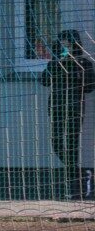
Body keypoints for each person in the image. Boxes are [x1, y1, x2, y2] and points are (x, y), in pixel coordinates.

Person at [41, 29, 95, 200]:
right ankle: (80, 174)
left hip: (74, 109)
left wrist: (75, 68)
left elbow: (89, 87)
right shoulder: (55, 62)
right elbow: (44, 81)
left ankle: (74, 186)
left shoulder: (84, 63)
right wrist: (56, 64)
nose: (65, 48)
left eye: (68, 45)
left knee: (72, 145)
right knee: (56, 142)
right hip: (56, 107)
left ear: (75, 45)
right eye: (62, 45)